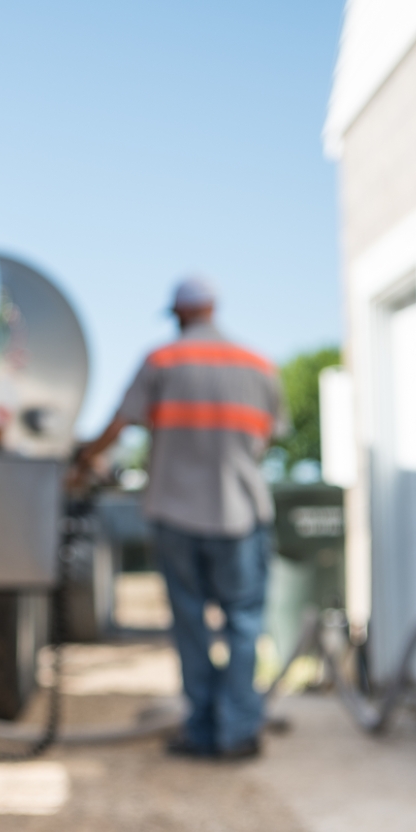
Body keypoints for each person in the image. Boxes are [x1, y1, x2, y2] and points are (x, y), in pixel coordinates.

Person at [72, 275, 285, 759]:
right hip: (242, 511)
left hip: (176, 509)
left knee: (190, 622)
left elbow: (119, 424)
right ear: (214, 309)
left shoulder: (163, 360)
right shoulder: (258, 364)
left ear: (178, 314)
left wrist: (83, 462)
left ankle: (205, 731)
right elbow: (265, 438)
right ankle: (239, 731)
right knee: (244, 624)